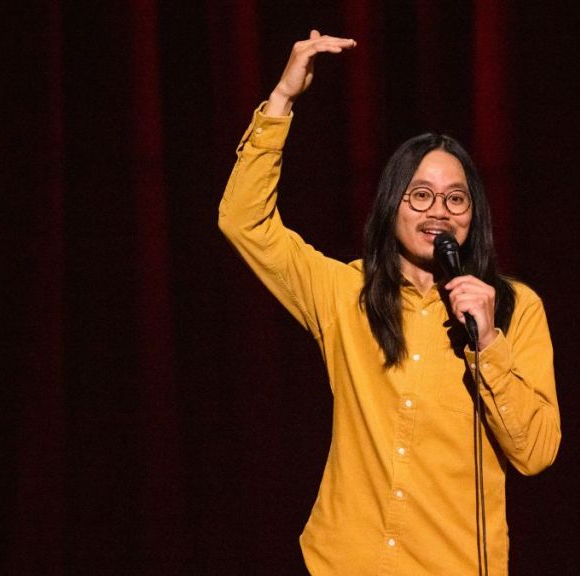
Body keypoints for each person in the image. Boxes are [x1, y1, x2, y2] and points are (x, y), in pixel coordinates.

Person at [219, 30, 561, 575]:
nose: (439, 212)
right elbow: (243, 221)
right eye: (420, 195)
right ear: (393, 206)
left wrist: (489, 342)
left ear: (473, 218)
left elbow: (536, 451)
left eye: (455, 199)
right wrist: (281, 101)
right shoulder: (343, 295)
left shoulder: (516, 308)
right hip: (344, 563)